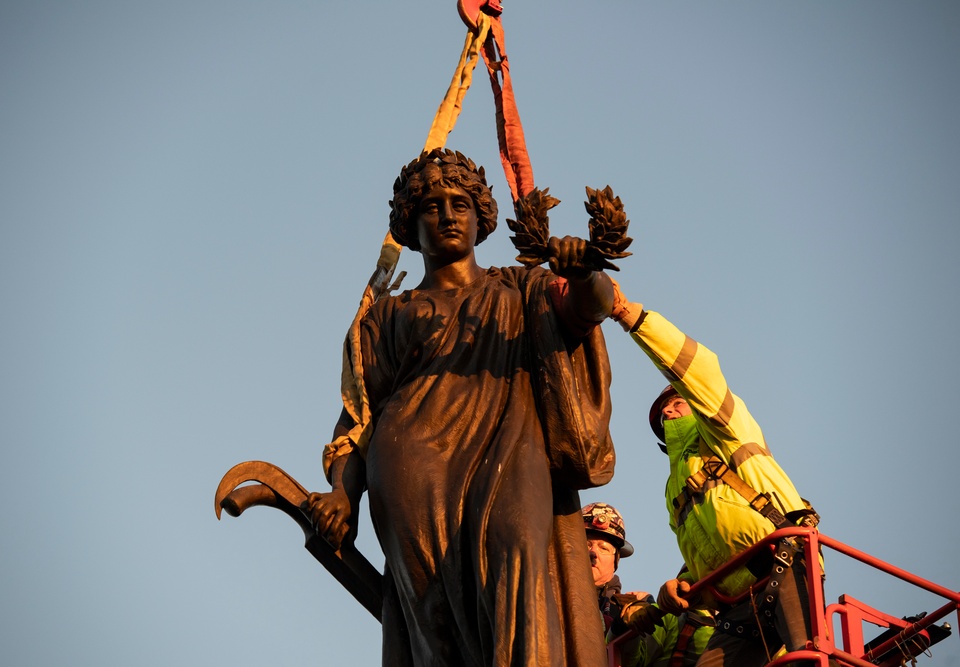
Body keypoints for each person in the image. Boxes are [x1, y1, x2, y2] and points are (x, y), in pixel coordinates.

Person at [307, 148, 617, 666]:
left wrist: (585, 273)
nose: (448, 215)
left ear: (480, 216)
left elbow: (591, 310)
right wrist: (343, 495)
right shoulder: (385, 317)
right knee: (432, 613)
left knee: (517, 551)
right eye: (432, 206)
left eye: (460, 203)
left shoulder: (522, 287)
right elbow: (359, 419)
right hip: (410, 467)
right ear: (411, 221)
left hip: (511, 445)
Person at [609, 289, 822, 667]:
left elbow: (699, 372)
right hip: (735, 603)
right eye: (662, 413)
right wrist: (677, 589)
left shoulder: (726, 433)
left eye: (678, 403)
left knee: (808, 659)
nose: (669, 413)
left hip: (784, 563)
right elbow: (709, 548)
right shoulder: (674, 489)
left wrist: (630, 315)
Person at [583, 502, 713, 667]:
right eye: (586, 544)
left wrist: (624, 625)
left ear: (615, 562)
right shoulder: (544, 596)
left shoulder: (630, 607)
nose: (593, 553)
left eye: (604, 548)